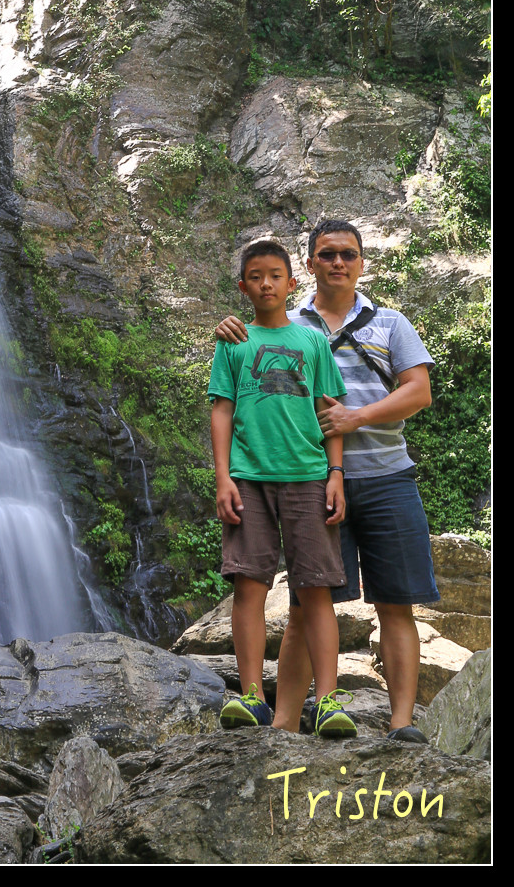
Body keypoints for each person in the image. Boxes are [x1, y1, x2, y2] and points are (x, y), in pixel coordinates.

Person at [214, 218, 437, 742]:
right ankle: (285, 724)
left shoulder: (390, 323)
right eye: (328, 254)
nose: (339, 262)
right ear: (309, 264)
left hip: (384, 477)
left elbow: (419, 391)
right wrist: (226, 327)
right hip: (306, 481)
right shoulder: (283, 322)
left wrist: (355, 418)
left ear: (361, 263)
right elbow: (237, 372)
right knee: (305, 603)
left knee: (395, 602)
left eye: (348, 254)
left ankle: (401, 725)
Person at [209, 237, 357, 738]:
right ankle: (252, 696)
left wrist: (335, 475)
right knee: (248, 585)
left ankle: (329, 700)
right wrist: (223, 477)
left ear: (292, 283)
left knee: (315, 590)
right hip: (248, 479)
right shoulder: (233, 342)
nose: (266, 284)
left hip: (308, 476)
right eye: (256, 277)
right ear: (243, 287)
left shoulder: (312, 342)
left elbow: (329, 412)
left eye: (275, 275)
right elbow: (222, 409)